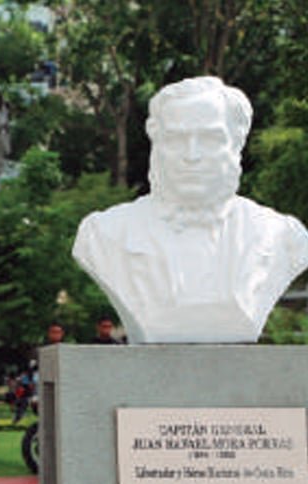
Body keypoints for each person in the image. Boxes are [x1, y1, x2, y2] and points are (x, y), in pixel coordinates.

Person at [72, 76, 308, 344]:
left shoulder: (282, 236)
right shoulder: (104, 234)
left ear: (236, 144)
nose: (192, 155)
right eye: (176, 139)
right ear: (157, 145)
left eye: (209, 138)